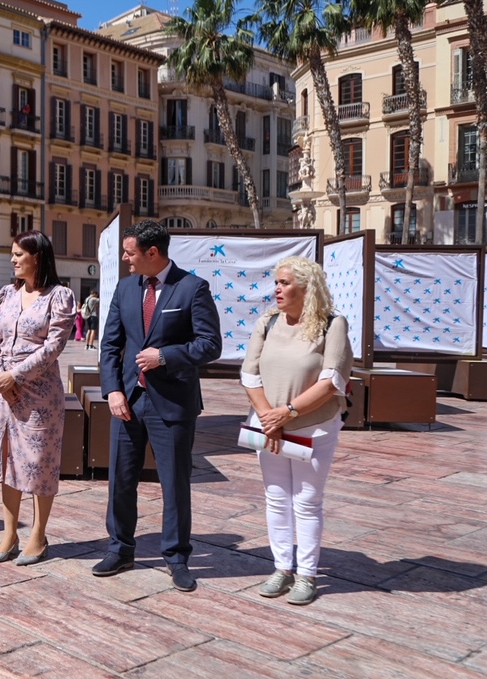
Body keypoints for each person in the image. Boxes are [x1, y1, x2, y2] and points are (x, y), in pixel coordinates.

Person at [95, 220, 221, 591]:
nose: (124, 258)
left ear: (153, 253)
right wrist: (112, 391)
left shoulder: (192, 288)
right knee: (120, 481)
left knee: (174, 485)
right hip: (128, 402)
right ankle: (120, 549)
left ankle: (177, 557)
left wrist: (165, 356)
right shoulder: (124, 288)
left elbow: (210, 345)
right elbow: (109, 346)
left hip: (172, 404)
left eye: (130, 252)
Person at [242, 257, 352, 606]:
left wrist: (287, 413)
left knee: (306, 501)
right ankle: (281, 568)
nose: (277, 288)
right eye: (276, 282)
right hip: (268, 426)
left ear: (307, 287)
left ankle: (306, 575)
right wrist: (268, 418)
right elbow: (250, 374)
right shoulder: (268, 322)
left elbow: (332, 381)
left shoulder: (332, 325)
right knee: (275, 497)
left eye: (285, 283)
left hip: (312, 427)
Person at [0, 231, 77, 566]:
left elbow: (54, 346)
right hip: (3, 392)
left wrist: (17, 375)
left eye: (18, 254)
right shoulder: (6, 294)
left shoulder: (59, 296)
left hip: (39, 393)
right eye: (12, 254)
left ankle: (38, 535)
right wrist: (0, 374)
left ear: (37, 256)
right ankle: (10, 533)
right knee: (7, 460)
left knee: (39, 462)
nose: (13, 259)